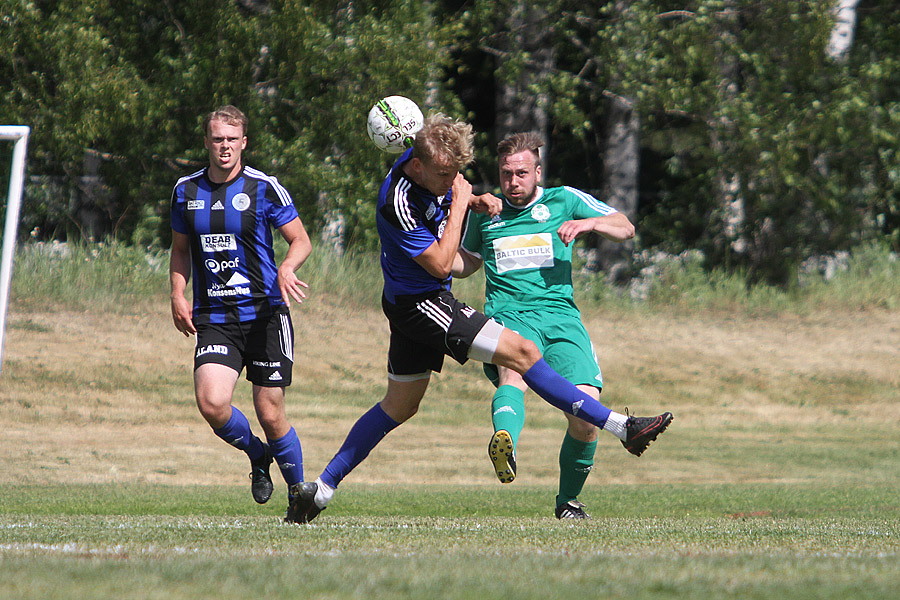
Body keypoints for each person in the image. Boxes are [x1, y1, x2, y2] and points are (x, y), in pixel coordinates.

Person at [286, 113, 672, 524]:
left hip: (409, 303)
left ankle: (319, 492)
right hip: (423, 302)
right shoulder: (396, 200)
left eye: (458, 171)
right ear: (417, 166)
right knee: (521, 353)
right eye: (446, 174)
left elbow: (449, 193)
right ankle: (622, 427)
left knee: (399, 406)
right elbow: (440, 265)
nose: (454, 179)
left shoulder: (428, 162)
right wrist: (462, 204)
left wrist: (466, 197)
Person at [456, 131, 665, 519]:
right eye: (505, 174)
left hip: (562, 319)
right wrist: (426, 252)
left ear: (538, 172)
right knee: (511, 378)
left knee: (587, 416)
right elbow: (464, 264)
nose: (512, 182)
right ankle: (506, 442)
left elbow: (625, 227)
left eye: (520, 173)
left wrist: (588, 226)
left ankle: (567, 502)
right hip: (510, 315)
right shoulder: (487, 211)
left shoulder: (564, 200)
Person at [169, 105, 313, 520]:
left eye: (232, 139)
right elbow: (180, 251)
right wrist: (178, 294)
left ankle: (298, 500)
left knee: (270, 411)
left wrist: (287, 266)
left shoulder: (264, 187)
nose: (225, 146)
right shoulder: (185, 191)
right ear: (207, 143)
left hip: (266, 313)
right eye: (218, 139)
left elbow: (300, 239)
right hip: (215, 316)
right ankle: (257, 454)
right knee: (212, 403)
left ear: (244, 143)